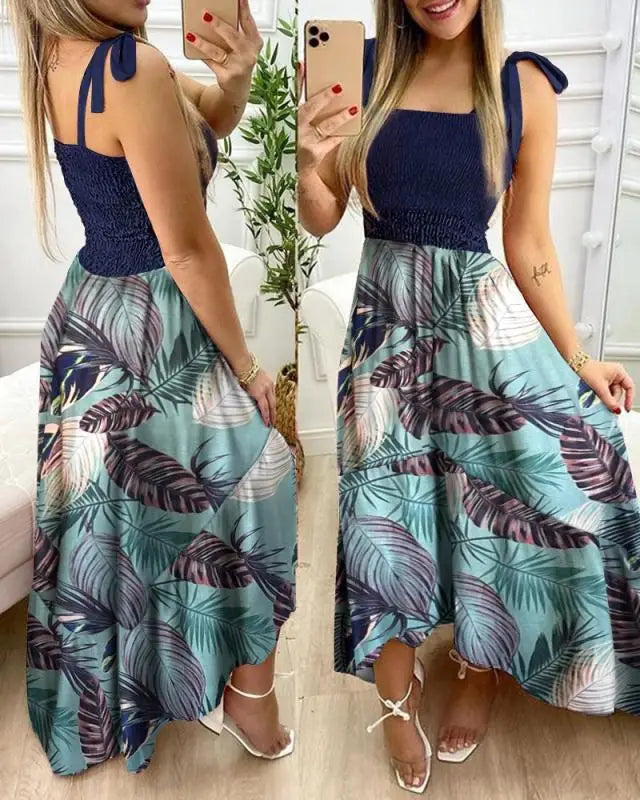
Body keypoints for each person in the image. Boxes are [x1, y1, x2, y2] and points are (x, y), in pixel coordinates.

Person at [298, 0, 640, 794]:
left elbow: (528, 241)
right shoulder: (357, 66)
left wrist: (579, 357)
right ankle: (396, 700)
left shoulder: (523, 85)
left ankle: (480, 668)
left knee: (518, 495)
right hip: (384, 341)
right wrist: (311, 162)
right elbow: (321, 218)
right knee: (382, 521)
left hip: (481, 335)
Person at [9, 0, 297, 776]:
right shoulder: (129, 67)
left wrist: (236, 78)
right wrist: (249, 367)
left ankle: (166, 683)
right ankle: (247, 695)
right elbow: (189, 249)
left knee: (139, 523)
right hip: (148, 329)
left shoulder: (65, 53)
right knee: (265, 479)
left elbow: (209, 120)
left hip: (93, 317)